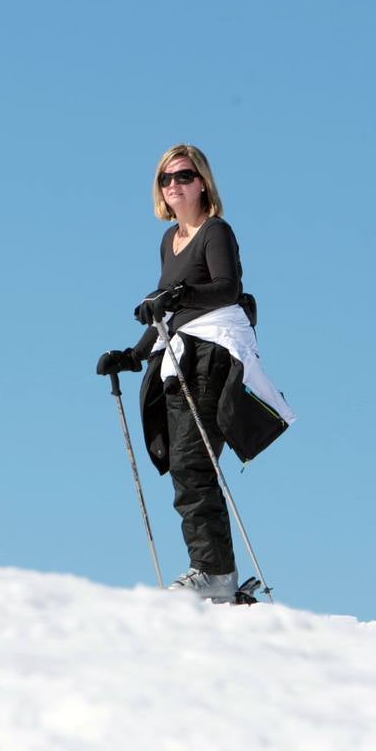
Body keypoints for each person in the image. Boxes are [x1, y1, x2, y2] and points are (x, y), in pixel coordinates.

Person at [96, 145, 295, 600]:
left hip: (211, 355)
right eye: (166, 178)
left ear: (202, 181)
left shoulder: (215, 232)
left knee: (193, 462)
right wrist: (132, 355)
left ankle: (214, 573)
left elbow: (228, 289)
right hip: (179, 356)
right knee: (187, 466)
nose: (174, 185)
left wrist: (177, 297)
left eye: (183, 176)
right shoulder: (170, 241)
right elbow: (167, 310)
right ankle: (212, 572)